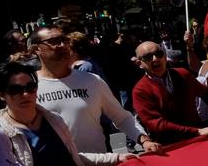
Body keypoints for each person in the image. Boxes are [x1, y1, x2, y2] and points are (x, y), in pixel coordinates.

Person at [0, 62, 130, 166]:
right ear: (1, 94)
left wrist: (117, 158)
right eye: (16, 90)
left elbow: (74, 157)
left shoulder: (54, 119)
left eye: (30, 87)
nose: (26, 94)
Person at [31, 26, 160, 155]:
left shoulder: (92, 81)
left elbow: (122, 117)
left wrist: (143, 140)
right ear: (36, 49)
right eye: (54, 42)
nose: (62, 45)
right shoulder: (27, 88)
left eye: (64, 40)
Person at [131, 41, 208, 145]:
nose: (155, 59)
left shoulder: (183, 74)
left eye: (159, 54)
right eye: (148, 57)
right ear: (139, 63)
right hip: (171, 146)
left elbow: (206, 94)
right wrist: (195, 131)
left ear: (165, 56)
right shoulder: (140, 91)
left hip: (199, 139)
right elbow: (156, 124)